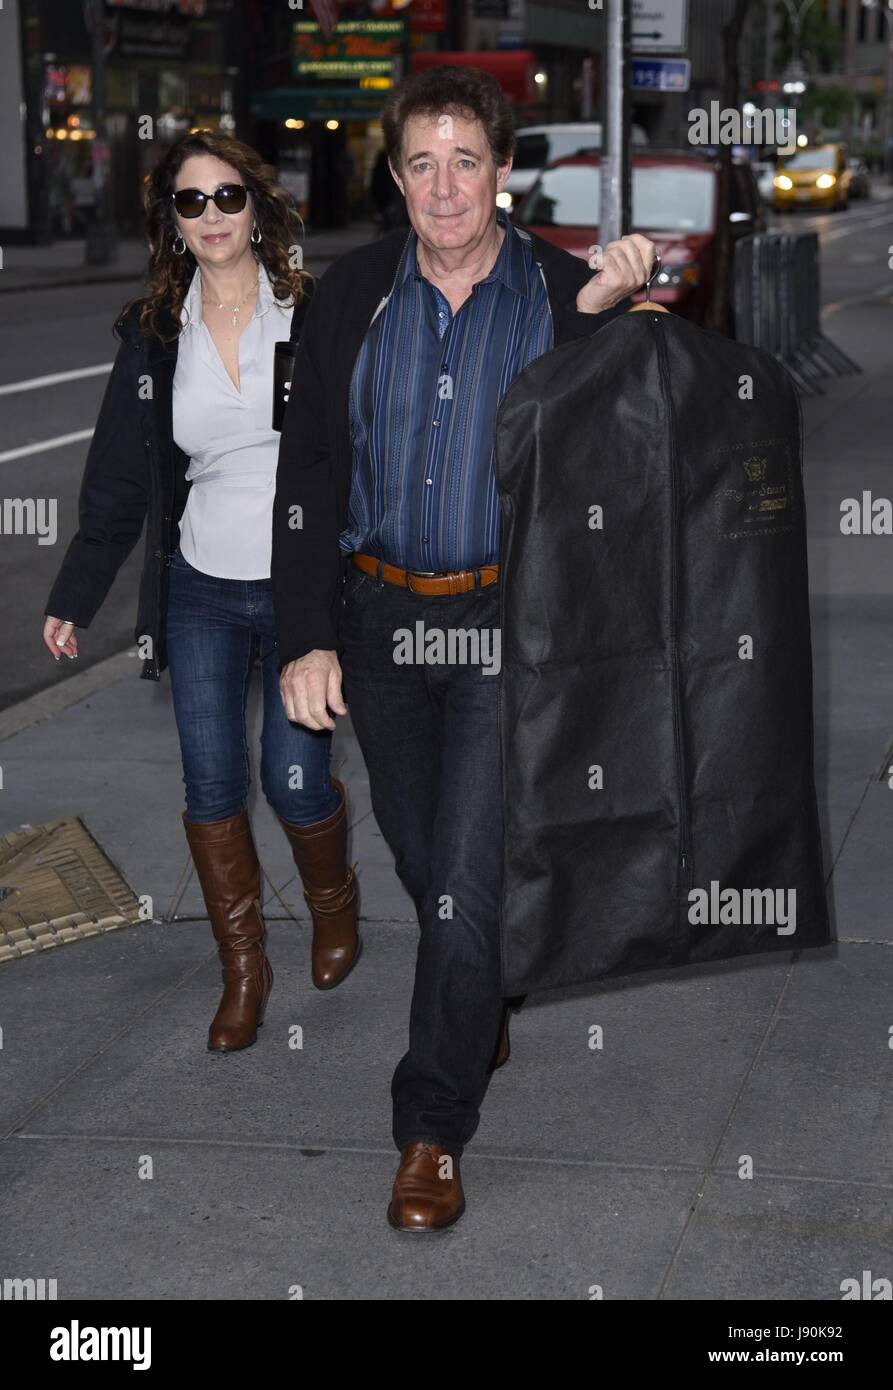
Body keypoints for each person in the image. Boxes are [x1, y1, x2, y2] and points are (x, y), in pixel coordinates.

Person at [272, 66, 656, 1231]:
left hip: (504, 621)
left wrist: (631, 314)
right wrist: (303, 635)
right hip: (380, 621)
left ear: (502, 171)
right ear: (395, 178)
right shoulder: (348, 298)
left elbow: (640, 442)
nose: (444, 187)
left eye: (466, 160)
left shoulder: (556, 291)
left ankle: (430, 1126)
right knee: (421, 852)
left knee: (470, 872)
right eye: (420, 163)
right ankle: (478, 974)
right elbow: (309, 475)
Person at [43, 131, 361, 1055]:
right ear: (170, 222)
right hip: (202, 590)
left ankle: (334, 907)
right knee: (212, 782)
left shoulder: (309, 311)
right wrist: (75, 593)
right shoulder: (154, 335)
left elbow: (361, 443)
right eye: (192, 202)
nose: (213, 216)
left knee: (295, 782)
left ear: (257, 207)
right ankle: (244, 969)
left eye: (229, 197)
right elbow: (117, 481)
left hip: (304, 592)